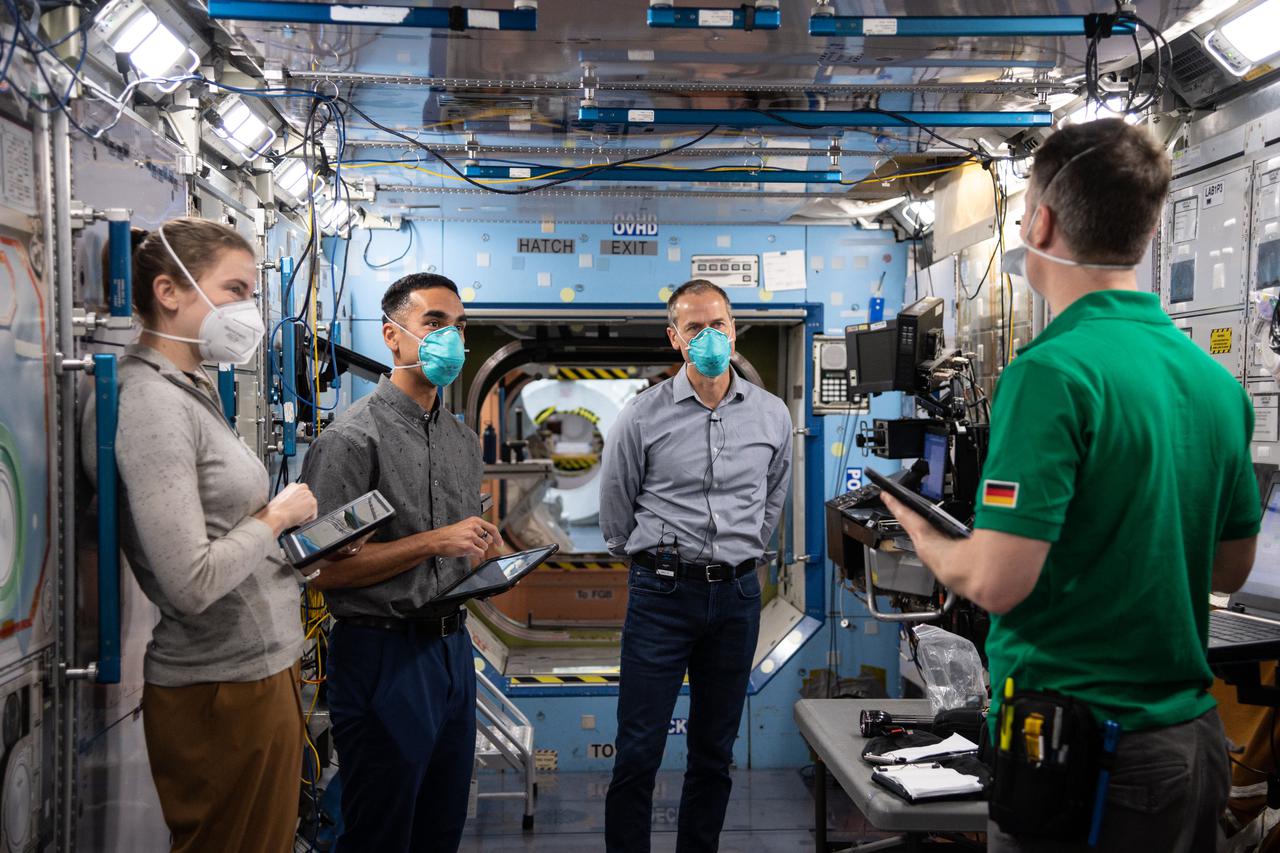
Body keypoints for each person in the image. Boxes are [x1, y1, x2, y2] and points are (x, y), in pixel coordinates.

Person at [880, 119, 1261, 853]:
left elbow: (995, 583)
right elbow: (1227, 568)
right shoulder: (1215, 383)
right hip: (1193, 743)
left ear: (1041, 221)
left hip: (1083, 756)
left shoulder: (1052, 373)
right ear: (1148, 231)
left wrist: (921, 531)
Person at [82, 217, 318, 852]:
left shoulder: (188, 389)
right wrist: (275, 519)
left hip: (256, 673)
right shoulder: (150, 403)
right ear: (169, 291)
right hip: (222, 687)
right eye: (236, 289)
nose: (248, 309)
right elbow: (188, 582)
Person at [299, 273, 500, 853]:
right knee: (381, 832)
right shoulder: (351, 440)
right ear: (393, 336)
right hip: (382, 654)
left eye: (461, 328)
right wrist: (434, 542)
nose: (453, 340)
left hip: (451, 652)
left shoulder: (462, 442)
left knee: (441, 826)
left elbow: (454, 548)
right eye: (436, 323)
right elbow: (322, 571)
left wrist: (487, 560)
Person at [599, 279, 793, 853]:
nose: (709, 337)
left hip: (736, 600)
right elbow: (616, 508)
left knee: (715, 752)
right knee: (638, 750)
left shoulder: (773, 415)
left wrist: (739, 556)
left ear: (734, 330)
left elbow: (773, 498)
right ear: (674, 338)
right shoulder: (641, 416)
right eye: (694, 328)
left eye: (719, 325)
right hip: (661, 595)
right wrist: (651, 561)